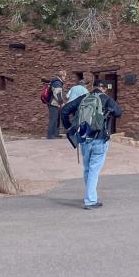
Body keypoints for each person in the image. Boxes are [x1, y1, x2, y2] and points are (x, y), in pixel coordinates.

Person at [62, 81, 123, 209]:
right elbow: (118, 112)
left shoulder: (83, 98)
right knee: (94, 170)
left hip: (84, 138)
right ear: (104, 89)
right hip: (100, 139)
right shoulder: (106, 99)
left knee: (87, 169)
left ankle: (89, 194)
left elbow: (65, 110)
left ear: (93, 87)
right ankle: (90, 200)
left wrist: (70, 127)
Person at [46, 70, 67, 139]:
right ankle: (50, 135)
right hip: (53, 103)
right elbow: (57, 94)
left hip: (55, 103)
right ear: (61, 76)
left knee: (57, 118)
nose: (65, 78)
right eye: (65, 76)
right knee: (53, 119)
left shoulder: (57, 82)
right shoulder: (57, 83)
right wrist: (61, 103)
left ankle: (55, 133)